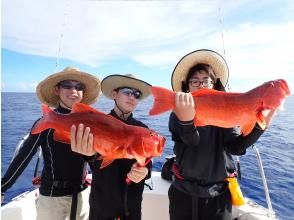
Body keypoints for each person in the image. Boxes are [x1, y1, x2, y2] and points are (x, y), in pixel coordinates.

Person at [168, 49, 277, 220]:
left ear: (214, 84)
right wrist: (187, 121)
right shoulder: (177, 113)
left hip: (218, 196)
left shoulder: (228, 111)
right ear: (187, 86)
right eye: (194, 81)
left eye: (206, 80)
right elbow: (191, 141)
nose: (201, 84)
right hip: (182, 194)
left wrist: (260, 127)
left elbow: (236, 147)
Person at [1, 67, 101, 220]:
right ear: (57, 90)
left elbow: (98, 161)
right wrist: (3, 187)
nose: (73, 90)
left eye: (79, 87)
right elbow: (24, 156)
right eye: (67, 85)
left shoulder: (91, 123)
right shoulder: (47, 122)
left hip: (81, 195)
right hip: (51, 199)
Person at [71, 74, 153, 220]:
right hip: (102, 208)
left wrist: (145, 171)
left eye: (137, 94)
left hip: (131, 208)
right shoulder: (98, 123)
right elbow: (91, 158)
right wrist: (89, 154)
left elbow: (147, 162)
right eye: (127, 91)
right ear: (114, 94)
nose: (132, 97)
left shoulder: (143, 130)